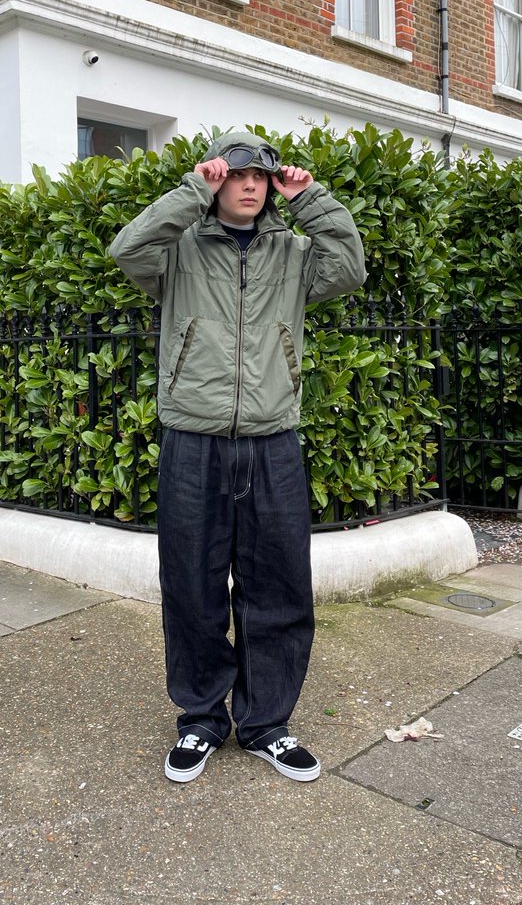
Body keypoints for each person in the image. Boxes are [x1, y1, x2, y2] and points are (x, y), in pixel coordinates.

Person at [109, 131, 366, 784]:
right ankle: (200, 720)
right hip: (192, 440)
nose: (251, 185)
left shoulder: (294, 253)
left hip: (272, 437)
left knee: (278, 585)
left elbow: (350, 267)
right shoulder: (178, 251)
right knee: (192, 587)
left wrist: (312, 201)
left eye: (263, 176)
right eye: (237, 175)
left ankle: (265, 725)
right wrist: (191, 191)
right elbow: (126, 247)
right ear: (218, 180)